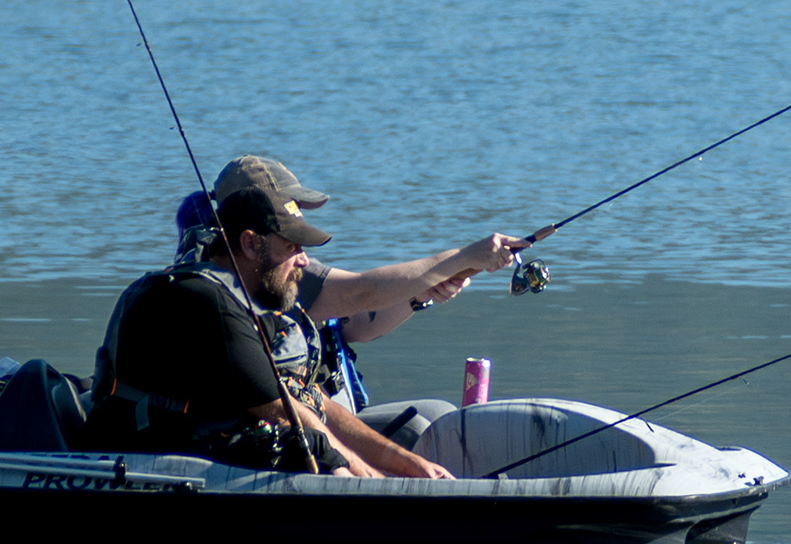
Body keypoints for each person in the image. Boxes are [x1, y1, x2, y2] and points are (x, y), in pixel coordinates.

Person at [94, 184, 456, 476]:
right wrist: (375, 484)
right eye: (291, 247)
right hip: (145, 459)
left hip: (193, 449)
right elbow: (285, 414)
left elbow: (314, 402)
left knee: (317, 444)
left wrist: (409, 467)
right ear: (251, 243)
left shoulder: (243, 302)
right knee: (304, 446)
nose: (303, 260)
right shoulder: (207, 300)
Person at [169, 156, 529, 408]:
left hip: (327, 415)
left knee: (432, 414)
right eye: (289, 206)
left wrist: (419, 296)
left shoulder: (277, 263)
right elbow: (363, 292)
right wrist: (466, 257)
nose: (298, 214)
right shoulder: (264, 271)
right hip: (313, 428)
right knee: (424, 423)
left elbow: (359, 324)